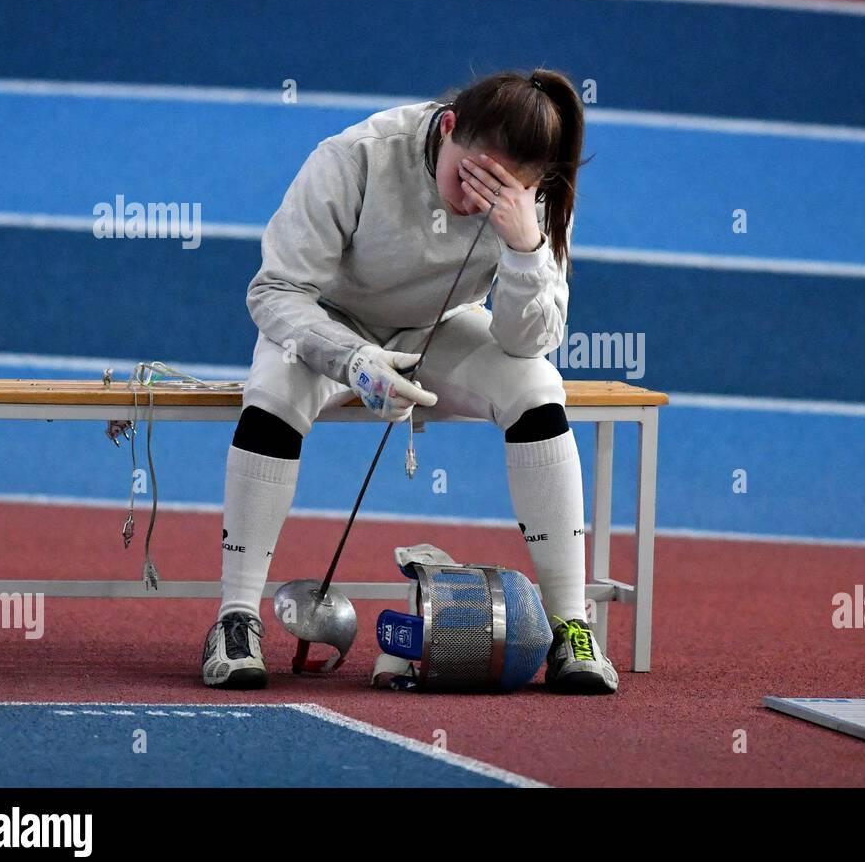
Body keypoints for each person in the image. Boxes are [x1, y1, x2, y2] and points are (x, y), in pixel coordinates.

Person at [200, 68, 617, 694]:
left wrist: (526, 247)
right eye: (468, 178)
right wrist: (351, 359)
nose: (476, 202)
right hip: (330, 327)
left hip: (439, 330)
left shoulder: (537, 201)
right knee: (273, 395)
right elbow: (276, 291)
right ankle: (235, 618)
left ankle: (572, 628)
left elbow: (527, 341)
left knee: (537, 389)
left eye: (499, 193)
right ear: (447, 128)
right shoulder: (355, 158)